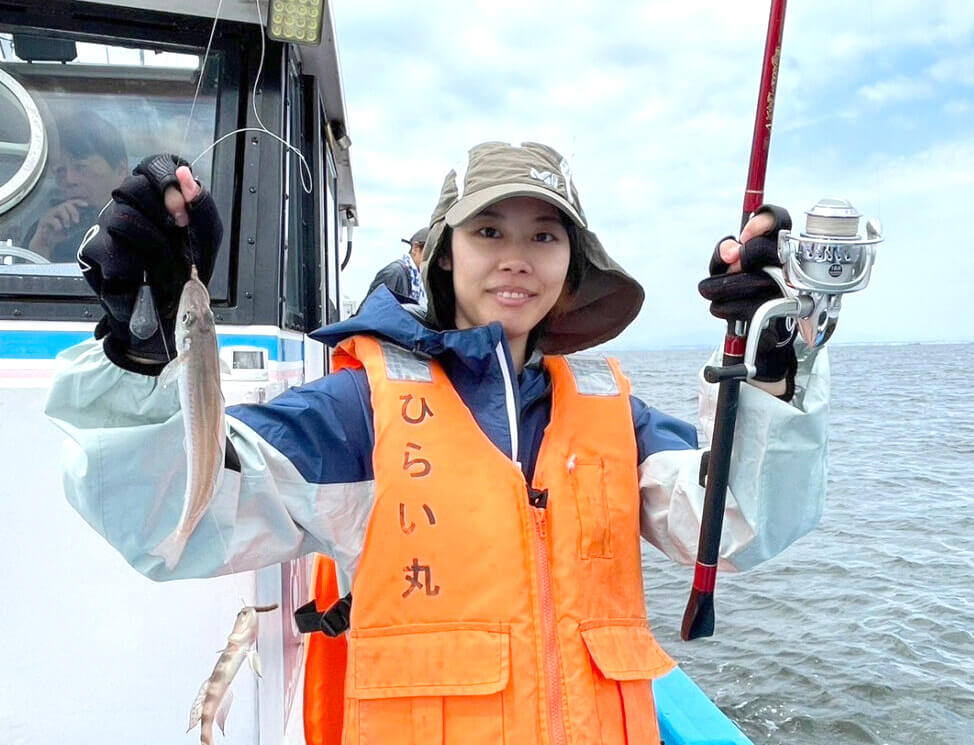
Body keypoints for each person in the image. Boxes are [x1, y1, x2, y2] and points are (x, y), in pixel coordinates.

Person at [46, 143, 828, 745]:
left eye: (544, 234)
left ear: (571, 262)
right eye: (489, 229)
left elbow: (732, 523)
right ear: (446, 252)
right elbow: (166, 521)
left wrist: (766, 369)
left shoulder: (613, 415)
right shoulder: (358, 410)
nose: (517, 255)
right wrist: (138, 348)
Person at [25, 109, 129, 262]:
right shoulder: (49, 229)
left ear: (121, 169)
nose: (69, 180)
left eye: (81, 167)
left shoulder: (149, 221)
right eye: (60, 171)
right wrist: (41, 249)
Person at [361, 226, 428, 307]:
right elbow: (374, 312)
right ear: (415, 248)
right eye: (431, 251)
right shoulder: (395, 273)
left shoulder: (417, 280)